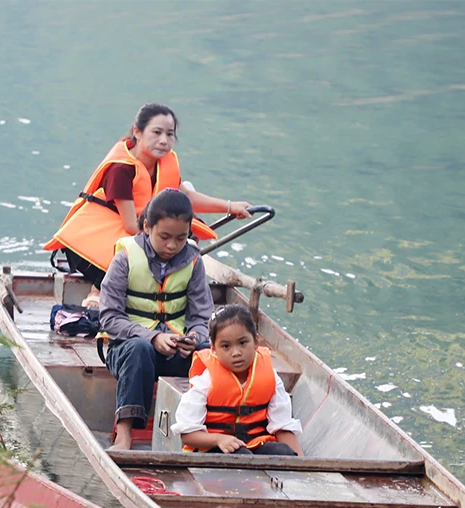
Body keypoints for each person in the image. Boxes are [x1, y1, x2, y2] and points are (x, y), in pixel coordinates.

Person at [44, 102, 253, 308]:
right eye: (157, 132)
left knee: (184, 235)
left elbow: (186, 196)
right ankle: (98, 291)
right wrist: (171, 242)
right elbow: (131, 226)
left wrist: (230, 206)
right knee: (166, 247)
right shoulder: (121, 169)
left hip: (135, 237)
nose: (164, 140)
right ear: (137, 132)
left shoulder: (164, 164)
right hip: (90, 250)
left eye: (170, 134)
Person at [100, 189, 214, 450]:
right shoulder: (125, 258)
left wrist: (195, 338)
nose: (172, 245)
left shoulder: (194, 261)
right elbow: (109, 318)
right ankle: (125, 434)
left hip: (175, 351)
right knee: (139, 350)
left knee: (207, 354)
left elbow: (202, 316)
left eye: (180, 238)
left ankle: (207, 433)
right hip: (127, 349)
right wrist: (152, 337)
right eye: (164, 237)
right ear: (147, 227)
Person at [171, 304, 304, 456]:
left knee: (282, 452)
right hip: (213, 448)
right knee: (241, 455)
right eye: (226, 346)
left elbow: (282, 427)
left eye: (243, 343)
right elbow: (188, 434)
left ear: (256, 342)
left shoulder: (271, 377)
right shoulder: (206, 381)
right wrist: (218, 439)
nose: (236, 353)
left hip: (255, 444)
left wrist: (302, 463)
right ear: (214, 349)